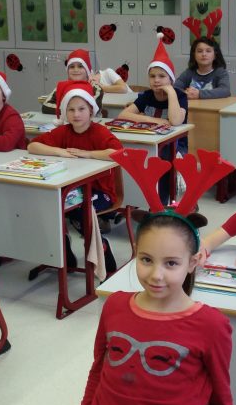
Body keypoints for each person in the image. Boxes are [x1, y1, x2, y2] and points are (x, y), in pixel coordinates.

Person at [70, 150, 236, 405]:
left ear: (193, 262)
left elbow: (221, 404)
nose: (156, 275)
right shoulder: (116, 306)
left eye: (171, 263)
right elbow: (98, 372)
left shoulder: (211, 325)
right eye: (146, 260)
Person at [28, 83, 123, 271]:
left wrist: (88, 154)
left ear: (91, 111)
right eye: (71, 110)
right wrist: (59, 151)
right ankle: (64, 250)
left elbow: (118, 153)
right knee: (51, 207)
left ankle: (102, 248)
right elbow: (33, 146)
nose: (76, 114)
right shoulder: (64, 131)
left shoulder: (99, 132)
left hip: (102, 192)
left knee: (79, 210)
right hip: (72, 189)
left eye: (81, 109)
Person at [117, 34, 188, 204]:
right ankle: (137, 200)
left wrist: (171, 92)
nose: (156, 80)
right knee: (132, 156)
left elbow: (175, 121)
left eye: (162, 76)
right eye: (152, 76)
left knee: (163, 160)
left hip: (174, 146)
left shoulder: (180, 96)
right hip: (150, 140)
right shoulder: (147, 96)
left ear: (171, 78)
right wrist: (155, 121)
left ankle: (161, 202)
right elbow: (123, 115)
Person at [41, 49, 104, 116]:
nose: (76, 70)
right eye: (72, 67)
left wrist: (67, 109)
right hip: (65, 121)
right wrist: (71, 110)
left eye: (80, 66)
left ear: (87, 70)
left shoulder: (95, 87)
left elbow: (93, 108)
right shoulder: (61, 87)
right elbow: (46, 106)